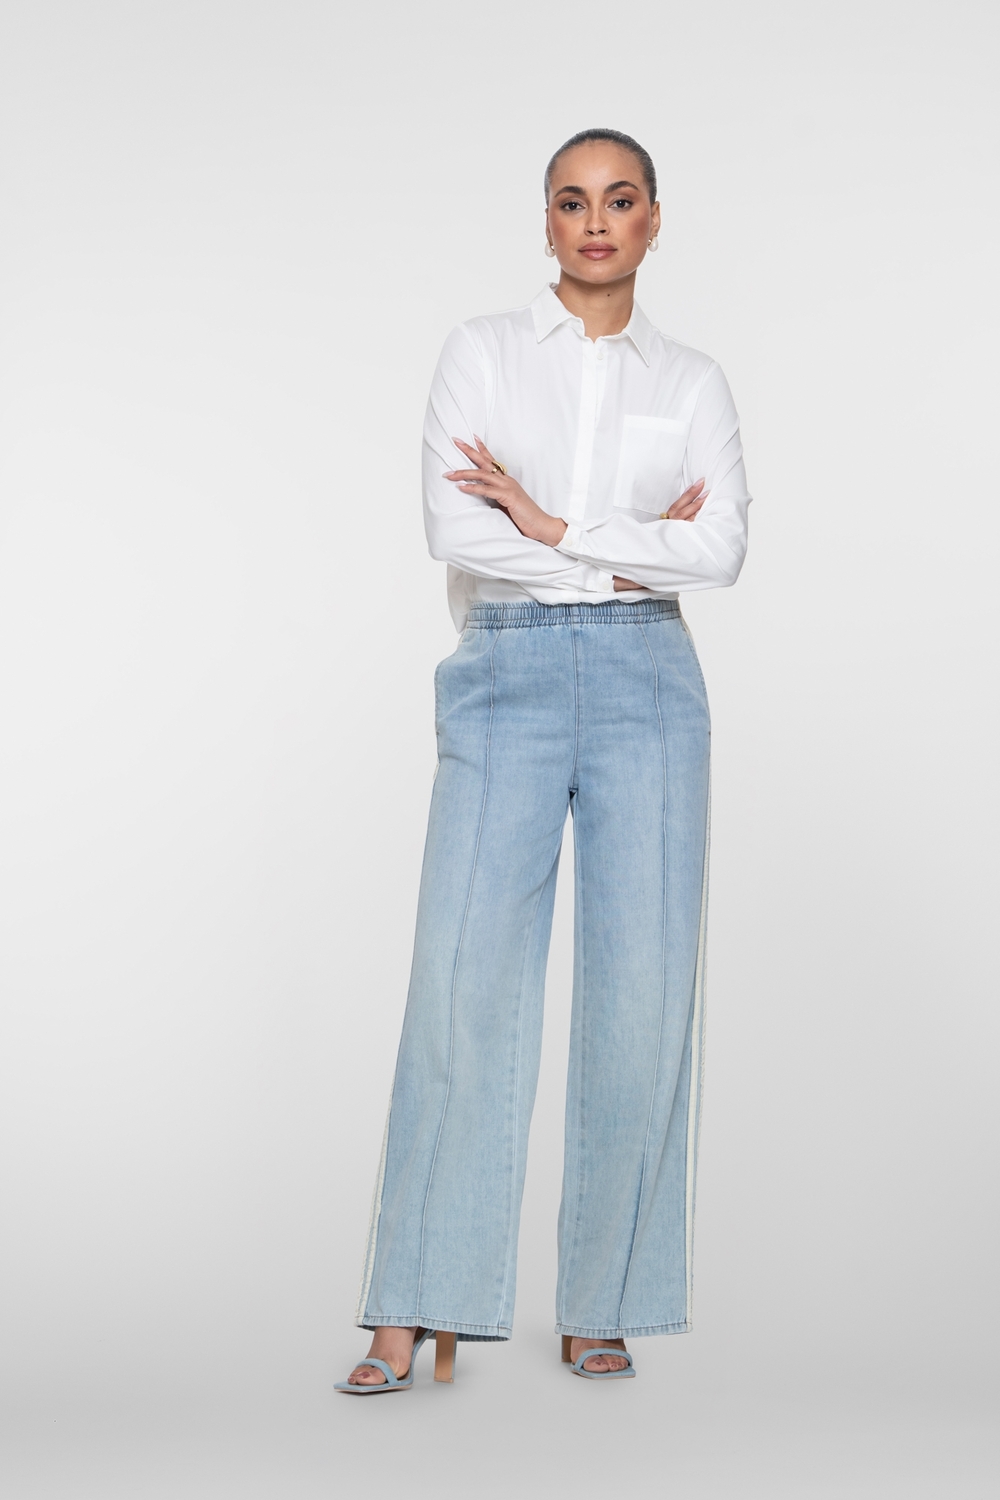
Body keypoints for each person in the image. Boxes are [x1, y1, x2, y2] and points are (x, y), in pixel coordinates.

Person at [335, 127, 751, 1393]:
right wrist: (629, 546)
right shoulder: (481, 352)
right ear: (549, 221)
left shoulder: (693, 381)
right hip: (505, 674)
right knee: (462, 984)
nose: (595, 221)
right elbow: (451, 527)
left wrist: (554, 522)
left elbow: (722, 551)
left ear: (654, 219)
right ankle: (418, 1300)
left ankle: (603, 1302)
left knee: (643, 997)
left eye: (619, 200)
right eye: (572, 201)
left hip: (649, 684)